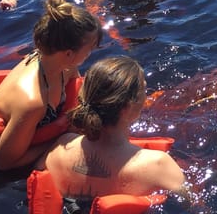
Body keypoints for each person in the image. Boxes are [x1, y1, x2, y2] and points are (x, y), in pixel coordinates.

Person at [0, 0, 102, 170]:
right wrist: (59, 140)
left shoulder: (62, 65)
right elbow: (5, 163)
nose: (90, 54)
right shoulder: (33, 102)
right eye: (89, 50)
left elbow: (76, 94)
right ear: (69, 53)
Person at [38, 56, 185, 205]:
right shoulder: (159, 165)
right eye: (143, 90)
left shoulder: (60, 147)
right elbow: (192, 204)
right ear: (127, 108)